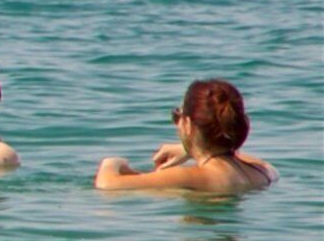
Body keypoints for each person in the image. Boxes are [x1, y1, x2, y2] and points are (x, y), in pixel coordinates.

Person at [96, 77, 275, 196]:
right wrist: (189, 150)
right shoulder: (262, 173)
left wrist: (114, 162)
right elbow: (265, 165)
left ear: (188, 125)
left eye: (177, 116)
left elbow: (107, 185)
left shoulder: (189, 176)